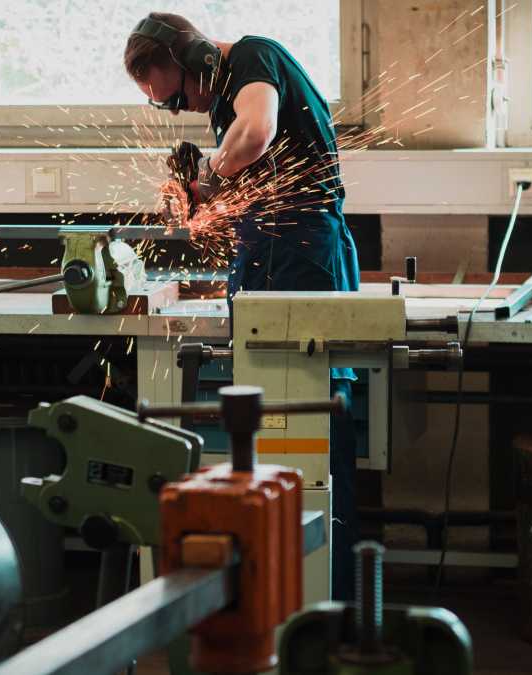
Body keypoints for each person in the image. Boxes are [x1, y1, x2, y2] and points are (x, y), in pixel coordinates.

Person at [124, 12, 361, 601]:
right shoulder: (221, 99)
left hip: (303, 251)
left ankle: (326, 590)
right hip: (267, 247)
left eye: (177, 95)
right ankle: (279, 583)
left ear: (196, 58)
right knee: (271, 417)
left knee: (314, 420)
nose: (182, 108)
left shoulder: (254, 58)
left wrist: (205, 177)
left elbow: (254, 135)